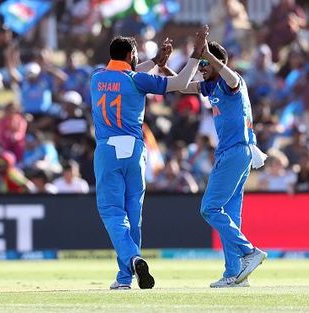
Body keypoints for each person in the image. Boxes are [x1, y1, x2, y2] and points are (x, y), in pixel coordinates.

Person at [90, 27, 207, 290]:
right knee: (134, 213)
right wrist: (195, 55)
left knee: (112, 211)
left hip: (107, 150)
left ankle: (131, 260)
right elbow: (179, 84)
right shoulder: (137, 81)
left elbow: (122, 75)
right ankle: (125, 276)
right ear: (131, 54)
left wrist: (155, 62)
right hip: (134, 150)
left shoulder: (96, 78)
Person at [178, 39, 268, 288]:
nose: (202, 68)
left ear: (217, 62)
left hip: (235, 152)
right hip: (236, 153)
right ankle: (235, 273)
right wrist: (163, 68)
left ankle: (249, 251)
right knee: (229, 214)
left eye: (206, 64)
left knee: (209, 208)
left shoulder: (231, 81)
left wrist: (208, 54)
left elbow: (233, 79)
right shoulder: (210, 86)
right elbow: (183, 87)